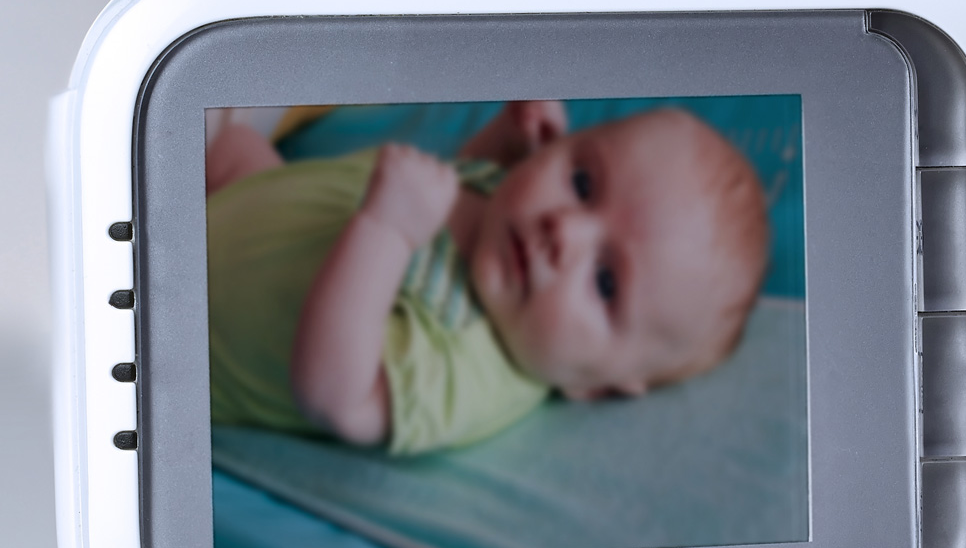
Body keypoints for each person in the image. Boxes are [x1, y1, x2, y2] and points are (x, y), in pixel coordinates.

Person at [203, 100, 769, 455]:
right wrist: (507, 137)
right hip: (245, 199)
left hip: (200, 326)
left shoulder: (471, 368)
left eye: (605, 283)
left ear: (592, 386)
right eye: (583, 183)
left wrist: (387, 230)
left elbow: (334, 397)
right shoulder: (505, 205)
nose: (565, 231)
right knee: (233, 141)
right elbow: (453, 185)